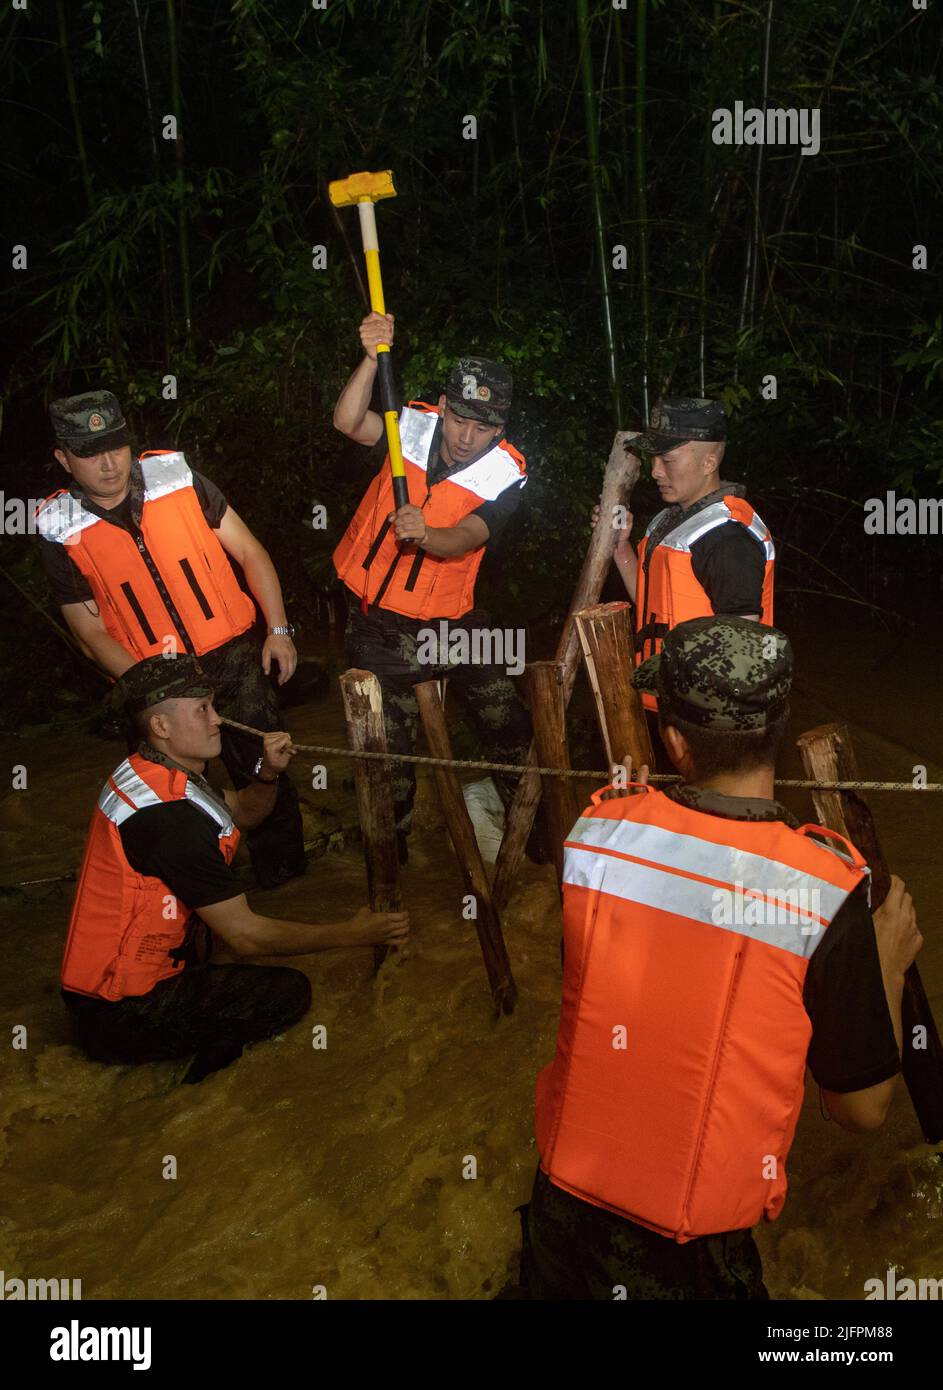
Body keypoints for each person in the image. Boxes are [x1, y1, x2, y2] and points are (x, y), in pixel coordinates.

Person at [521, 616, 919, 1299]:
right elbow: (861, 1111)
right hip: (685, 1259)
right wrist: (882, 961)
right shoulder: (820, 889)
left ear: (674, 741)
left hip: (558, 1218)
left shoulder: (594, 833)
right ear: (778, 727)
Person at [59, 655, 409, 1085]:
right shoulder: (169, 819)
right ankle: (196, 1090)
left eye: (213, 706)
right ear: (161, 727)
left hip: (98, 990)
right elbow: (246, 936)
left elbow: (242, 810)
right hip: (119, 1011)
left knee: (224, 964)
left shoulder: (152, 769)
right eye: (203, 709)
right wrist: (351, 935)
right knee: (286, 995)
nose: (218, 720)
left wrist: (268, 773)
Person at [35, 390, 306, 889]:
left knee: (266, 764)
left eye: (115, 446)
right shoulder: (59, 529)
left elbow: (249, 552)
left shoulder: (177, 479)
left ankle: (286, 882)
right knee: (173, 793)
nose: (108, 463)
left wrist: (278, 630)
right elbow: (90, 632)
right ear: (63, 459)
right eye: (89, 452)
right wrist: (156, 687)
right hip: (152, 683)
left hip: (231, 658)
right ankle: (197, 894)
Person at [332, 312, 534, 857]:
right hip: (377, 619)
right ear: (443, 406)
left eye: (484, 428)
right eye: (460, 420)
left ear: (501, 429)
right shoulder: (410, 426)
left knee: (512, 729)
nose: (467, 438)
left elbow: (467, 537)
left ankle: (536, 844)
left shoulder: (507, 473)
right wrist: (373, 357)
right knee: (390, 754)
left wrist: (427, 535)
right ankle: (390, 864)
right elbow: (349, 422)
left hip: (451, 625)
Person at [606, 398, 775, 714]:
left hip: (704, 716)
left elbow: (740, 653)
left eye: (667, 460)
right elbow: (650, 605)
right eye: (654, 458)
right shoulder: (669, 520)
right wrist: (621, 548)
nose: (655, 471)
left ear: (709, 463)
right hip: (663, 702)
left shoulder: (728, 538)